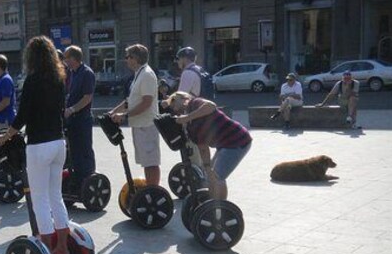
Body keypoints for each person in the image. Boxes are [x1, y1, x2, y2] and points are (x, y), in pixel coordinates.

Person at [0, 37, 70, 254]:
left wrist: (5, 137)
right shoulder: (59, 78)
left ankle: (45, 248)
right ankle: (63, 247)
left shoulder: (33, 80)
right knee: (56, 196)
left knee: (40, 199)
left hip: (40, 145)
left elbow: (23, 115)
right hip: (58, 142)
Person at [166, 91, 252, 200]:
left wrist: (187, 117)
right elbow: (203, 147)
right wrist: (207, 167)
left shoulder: (195, 103)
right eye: (172, 107)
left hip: (237, 140)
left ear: (184, 99)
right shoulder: (190, 126)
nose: (174, 109)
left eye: (174, 101)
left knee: (217, 176)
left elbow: (211, 106)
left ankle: (222, 207)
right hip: (225, 144)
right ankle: (212, 204)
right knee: (210, 177)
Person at [108, 44, 161, 186]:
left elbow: (146, 103)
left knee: (151, 163)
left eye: (128, 57)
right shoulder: (139, 74)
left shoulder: (147, 75)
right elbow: (130, 100)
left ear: (135, 58)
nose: (126, 60)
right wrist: (113, 111)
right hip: (140, 125)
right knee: (146, 162)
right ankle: (151, 189)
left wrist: (124, 116)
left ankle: (153, 191)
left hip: (147, 125)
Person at [63, 45, 96, 188]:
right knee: (74, 151)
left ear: (73, 58)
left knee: (84, 149)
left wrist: (72, 109)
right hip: (72, 120)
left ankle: (88, 179)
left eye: (66, 58)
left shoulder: (87, 73)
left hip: (82, 119)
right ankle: (77, 180)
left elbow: (87, 97)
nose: (65, 61)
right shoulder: (72, 73)